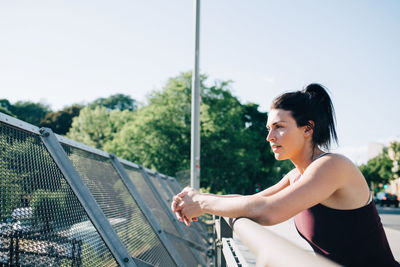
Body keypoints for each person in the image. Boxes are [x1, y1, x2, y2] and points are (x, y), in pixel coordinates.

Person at [171, 84, 399, 266]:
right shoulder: (296, 176)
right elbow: (253, 201)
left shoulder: (333, 165)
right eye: (269, 128)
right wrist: (196, 197)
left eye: (279, 126)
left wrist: (201, 202)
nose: (270, 136)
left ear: (308, 129)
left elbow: (268, 212)